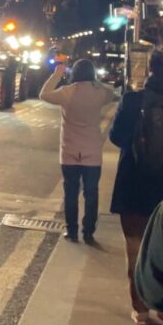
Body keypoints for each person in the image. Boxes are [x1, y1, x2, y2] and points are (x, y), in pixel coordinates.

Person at [108, 49, 163, 325]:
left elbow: (116, 137)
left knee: (135, 247)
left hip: (133, 183)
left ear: (150, 68)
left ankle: (140, 308)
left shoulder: (133, 99)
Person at [39, 58, 115, 243]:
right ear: (92, 74)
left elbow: (43, 94)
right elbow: (111, 91)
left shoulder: (66, 92)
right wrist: (95, 82)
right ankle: (88, 230)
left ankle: (71, 230)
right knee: (91, 192)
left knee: (70, 193)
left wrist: (57, 74)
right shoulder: (100, 93)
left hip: (69, 151)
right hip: (92, 152)